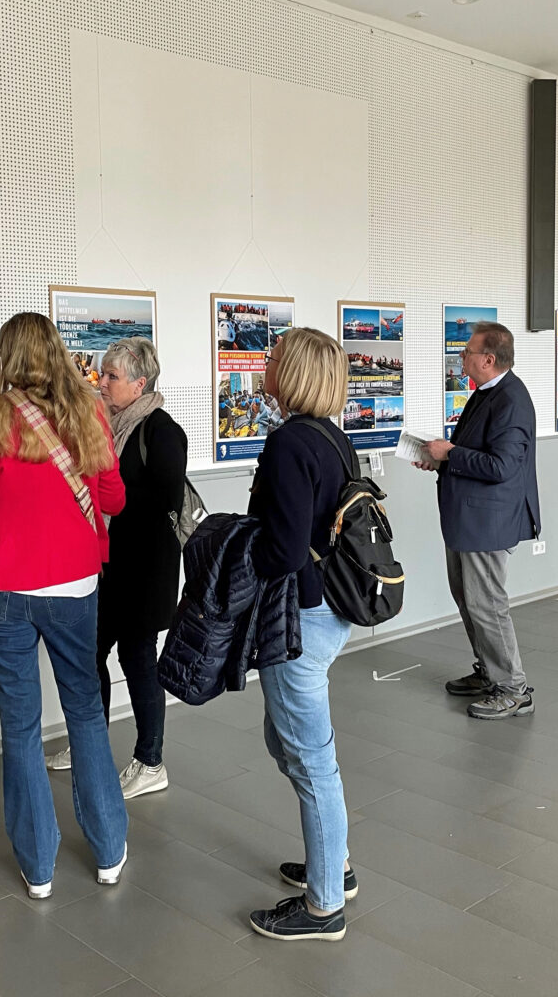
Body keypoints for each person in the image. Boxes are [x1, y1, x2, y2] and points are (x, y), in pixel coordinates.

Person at [0, 311, 128, 897]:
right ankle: (107, 852)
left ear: (5, 356)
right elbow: (114, 501)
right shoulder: (90, 411)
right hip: (73, 583)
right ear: (55, 352)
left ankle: (39, 866)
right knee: (86, 712)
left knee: (20, 724)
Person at [246, 327, 356, 942]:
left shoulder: (290, 442)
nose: (266, 366)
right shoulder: (333, 438)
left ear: (292, 373)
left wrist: (238, 551)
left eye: (274, 358)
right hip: (328, 609)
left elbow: (284, 549)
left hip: (301, 615)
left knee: (312, 761)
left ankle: (324, 906)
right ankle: (331, 859)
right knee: (285, 741)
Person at [47, 338, 188, 801]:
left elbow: (164, 502)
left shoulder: (163, 431)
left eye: (111, 376)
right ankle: (90, 741)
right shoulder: (100, 424)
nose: (101, 382)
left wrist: (109, 494)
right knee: (89, 653)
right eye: (101, 374)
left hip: (146, 568)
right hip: (106, 561)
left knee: (137, 659)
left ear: (139, 383)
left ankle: (151, 760)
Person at [414, 322, 541, 720]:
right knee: (469, 600)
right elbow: (474, 454)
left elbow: (502, 466)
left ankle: (513, 689)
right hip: (468, 519)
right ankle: (489, 672)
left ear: (488, 359)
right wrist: (441, 459)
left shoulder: (511, 401)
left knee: (488, 605)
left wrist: (450, 453)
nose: (461, 357)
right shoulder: (487, 394)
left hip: (488, 522)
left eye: (467, 351)